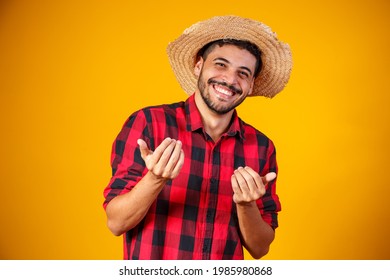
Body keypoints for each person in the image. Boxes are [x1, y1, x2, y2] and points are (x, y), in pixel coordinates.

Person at [103, 15, 292, 260]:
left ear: (252, 84)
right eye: (221, 64)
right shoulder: (149, 123)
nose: (230, 79)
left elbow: (260, 248)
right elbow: (116, 223)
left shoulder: (261, 147)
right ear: (198, 65)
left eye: (243, 73)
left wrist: (246, 205)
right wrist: (156, 178)